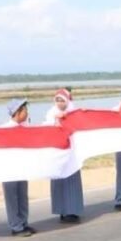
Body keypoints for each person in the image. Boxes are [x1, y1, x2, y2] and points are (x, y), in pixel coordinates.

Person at [44, 89, 84, 223]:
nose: (60, 103)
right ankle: (62, 210)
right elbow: (48, 131)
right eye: (58, 100)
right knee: (59, 182)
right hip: (58, 153)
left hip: (71, 153)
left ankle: (72, 210)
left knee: (71, 182)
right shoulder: (51, 114)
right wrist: (57, 120)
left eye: (63, 100)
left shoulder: (73, 113)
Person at [0, 99, 36, 237]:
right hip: (9, 170)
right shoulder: (4, 129)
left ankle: (24, 223)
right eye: (25, 110)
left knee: (22, 196)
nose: (27, 113)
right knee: (12, 198)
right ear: (18, 112)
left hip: (22, 167)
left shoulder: (25, 128)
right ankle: (16, 226)